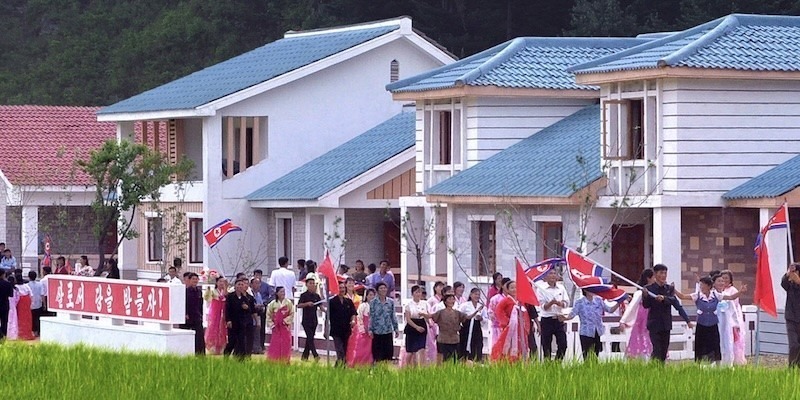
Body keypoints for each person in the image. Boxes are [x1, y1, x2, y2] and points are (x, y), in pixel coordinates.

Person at [675, 276, 744, 363]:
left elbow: (730, 297)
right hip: (701, 324)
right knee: (701, 344)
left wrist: (740, 292)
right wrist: (674, 290)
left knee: (714, 344)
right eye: (700, 285)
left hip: (713, 324)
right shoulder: (698, 295)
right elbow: (683, 296)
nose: (701, 287)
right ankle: (700, 364)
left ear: (708, 286)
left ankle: (717, 364)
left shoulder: (715, 295)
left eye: (702, 285)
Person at [642, 264, 693, 362]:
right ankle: (653, 369)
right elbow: (646, 305)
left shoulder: (669, 289)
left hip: (666, 324)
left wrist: (688, 321)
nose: (664, 275)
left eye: (665, 273)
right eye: (661, 273)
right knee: (657, 349)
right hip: (654, 324)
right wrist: (645, 296)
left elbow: (675, 303)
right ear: (655, 274)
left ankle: (659, 370)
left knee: (664, 351)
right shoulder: (649, 289)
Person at [561, 290, 619, 361]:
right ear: (585, 290)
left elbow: (610, 310)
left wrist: (619, 302)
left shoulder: (599, 300)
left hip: (597, 331)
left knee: (595, 354)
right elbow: (572, 314)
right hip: (586, 332)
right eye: (590, 289)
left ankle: (594, 369)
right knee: (586, 355)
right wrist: (564, 318)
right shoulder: (580, 302)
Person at [490, 281, 530, 363]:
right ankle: (506, 360)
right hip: (510, 327)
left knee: (520, 344)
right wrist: (505, 322)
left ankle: (519, 360)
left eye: (516, 287)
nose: (514, 289)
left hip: (520, 328)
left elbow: (525, 314)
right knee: (507, 343)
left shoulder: (520, 301)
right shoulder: (505, 300)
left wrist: (526, 326)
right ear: (507, 290)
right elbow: (498, 310)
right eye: (512, 288)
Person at [619, 269, 655, 359]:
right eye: (654, 277)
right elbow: (631, 307)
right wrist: (623, 320)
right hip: (642, 321)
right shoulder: (640, 293)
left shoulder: (655, 292)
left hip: (652, 319)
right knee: (640, 339)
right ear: (648, 278)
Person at [717, 270, 747, 366]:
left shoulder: (732, 290)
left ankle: (734, 360)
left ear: (730, 279)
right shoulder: (719, 290)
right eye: (722, 278)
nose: (724, 280)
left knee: (732, 339)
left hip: (731, 317)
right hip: (721, 318)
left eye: (726, 278)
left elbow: (734, 304)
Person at [537, 269, 568, 360]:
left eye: (555, 273)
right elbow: (543, 306)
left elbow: (566, 302)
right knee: (546, 345)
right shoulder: (541, 289)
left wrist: (560, 303)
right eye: (550, 273)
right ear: (546, 276)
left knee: (563, 344)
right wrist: (551, 303)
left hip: (558, 319)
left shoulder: (561, 288)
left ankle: (557, 363)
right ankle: (547, 365)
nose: (553, 275)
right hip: (547, 319)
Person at [226, 278, 257, 360]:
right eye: (238, 284)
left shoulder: (246, 298)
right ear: (235, 286)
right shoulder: (230, 296)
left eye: (242, 285)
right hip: (233, 322)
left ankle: (240, 358)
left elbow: (251, 310)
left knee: (242, 341)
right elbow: (227, 309)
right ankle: (226, 355)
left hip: (242, 322)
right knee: (232, 341)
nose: (240, 286)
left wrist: (247, 308)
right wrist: (228, 320)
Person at [432, 294, 467, 363]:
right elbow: (433, 316)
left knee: (455, 359)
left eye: (453, 299)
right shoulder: (441, 312)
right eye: (449, 299)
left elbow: (466, 317)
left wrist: (476, 311)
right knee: (444, 359)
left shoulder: (457, 312)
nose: (452, 301)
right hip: (443, 339)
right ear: (445, 301)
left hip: (454, 339)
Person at [369, 282, 398, 363]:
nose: (383, 290)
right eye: (381, 288)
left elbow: (393, 315)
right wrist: (370, 329)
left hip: (387, 330)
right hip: (377, 331)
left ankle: (385, 369)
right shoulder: (373, 302)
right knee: (378, 354)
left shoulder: (391, 302)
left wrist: (396, 328)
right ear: (377, 290)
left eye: (384, 288)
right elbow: (371, 316)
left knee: (387, 354)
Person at [329, 282, 357, 366]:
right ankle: (341, 365)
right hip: (336, 330)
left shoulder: (348, 301)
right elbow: (328, 316)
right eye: (340, 288)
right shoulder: (332, 302)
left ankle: (339, 366)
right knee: (339, 349)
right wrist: (325, 329)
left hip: (346, 329)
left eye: (343, 288)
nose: (341, 290)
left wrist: (353, 320)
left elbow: (353, 313)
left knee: (345, 349)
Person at [347, 288, 375, 367]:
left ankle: (369, 363)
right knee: (361, 347)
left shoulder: (376, 305)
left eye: (373, 295)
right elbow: (359, 317)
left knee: (370, 348)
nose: (372, 297)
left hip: (372, 328)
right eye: (370, 295)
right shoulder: (363, 305)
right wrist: (363, 328)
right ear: (366, 296)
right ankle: (358, 363)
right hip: (363, 329)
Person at [402, 285, 429, 367]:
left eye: (420, 292)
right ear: (412, 293)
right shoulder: (408, 305)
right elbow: (408, 319)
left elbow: (427, 315)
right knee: (411, 351)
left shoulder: (424, 303)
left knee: (421, 348)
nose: (418, 294)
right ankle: (407, 367)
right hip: (412, 327)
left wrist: (428, 320)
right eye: (416, 292)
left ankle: (420, 367)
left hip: (422, 324)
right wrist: (416, 327)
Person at [458, 288, 487, 363]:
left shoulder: (481, 306)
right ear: (471, 295)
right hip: (466, 327)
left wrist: (481, 319)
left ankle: (476, 360)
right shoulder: (465, 305)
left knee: (478, 344)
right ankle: (464, 359)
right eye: (475, 294)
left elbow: (485, 319)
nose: (477, 296)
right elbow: (459, 315)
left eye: (478, 295)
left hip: (477, 327)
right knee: (465, 343)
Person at [266, 286, 294, 363]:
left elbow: (291, 313)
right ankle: (274, 359)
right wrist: (272, 325)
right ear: (277, 293)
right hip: (276, 327)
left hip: (285, 326)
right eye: (281, 292)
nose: (283, 293)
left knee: (286, 342)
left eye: (284, 291)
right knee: (276, 343)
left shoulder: (288, 302)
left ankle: (285, 359)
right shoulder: (272, 304)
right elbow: (268, 315)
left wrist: (285, 321)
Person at [297, 278, 322, 361]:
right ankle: (315, 355)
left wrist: (326, 311)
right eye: (310, 283)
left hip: (314, 320)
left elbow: (320, 306)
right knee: (310, 337)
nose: (312, 285)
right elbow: (299, 305)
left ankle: (304, 356)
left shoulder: (316, 296)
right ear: (307, 285)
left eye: (313, 283)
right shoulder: (304, 295)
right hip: (306, 320)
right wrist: (307, 304)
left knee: (310, 338)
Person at [181, 272, 205, 355]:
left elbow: (201, 304)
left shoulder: (199, 291)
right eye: (193, 279)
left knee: (199, 336)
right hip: (188, 317)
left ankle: (200, 354)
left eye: (196, 279)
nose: (195, 281)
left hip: (197, 316)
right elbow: (183, 303)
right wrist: (185, 313)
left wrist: (201, 315)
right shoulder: (186, 291)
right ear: (189, 280)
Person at [204, 277, 228, 355]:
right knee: (213, 328)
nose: (221, 283)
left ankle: (220, 347)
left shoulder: (226, 291)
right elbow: (207, 299)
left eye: (223, 282)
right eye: (220, 281)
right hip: (215, 313)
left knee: (222, 329)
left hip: (223, 313)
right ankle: (212, 347)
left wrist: (226, 287)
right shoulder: (213, 291)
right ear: (216, 282)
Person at [783, 262, 800, 367]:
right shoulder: (790, 285)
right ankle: (792, 367)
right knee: (794, 344)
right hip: (791, 318)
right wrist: (788, 273)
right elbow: (783, 283)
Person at [253, 269, 275, 350]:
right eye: (256, 275)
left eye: (259, 275)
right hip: (254, 307)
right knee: (254, 326)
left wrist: (266, 302)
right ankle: (255, 345)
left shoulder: (266, 285)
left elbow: (273, 294)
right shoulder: (251, 286)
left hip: (262, 307)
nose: (257, 276)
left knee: (262, 326)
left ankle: (261, 345)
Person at [425, 281, 445, 364]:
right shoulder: (431, 300)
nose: (441, 289)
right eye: (439, 287)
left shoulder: (445, 300)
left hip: (443, 324)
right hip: (433, 324)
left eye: (442, 287)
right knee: (433, 344)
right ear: (435, 288)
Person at [488, 277, 510, 349]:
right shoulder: (495, 298)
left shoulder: (513, 299)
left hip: (511, 325)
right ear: (502, 286)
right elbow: (490, 311)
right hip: (498, 326)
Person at [250, 278, 266, 353]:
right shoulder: (250, 294)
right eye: (255, 283)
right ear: (251, 284)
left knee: (258, 332)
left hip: (258, 314)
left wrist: (261, 306)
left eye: (259, 283)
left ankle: (257, 348)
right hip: (252, 315)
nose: (258, 285)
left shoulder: (258, 294)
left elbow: (261, 304)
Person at [27, 271, 44, 337]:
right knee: (37, 318)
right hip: (38, 303)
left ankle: (33, 331)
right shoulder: (40, 284)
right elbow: (42, 294)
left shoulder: (27, 285)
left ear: (29, 277)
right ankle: (38, 331)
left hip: (30, 304)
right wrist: (44, 303)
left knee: (31, 318)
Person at [0, 270, 13, 339]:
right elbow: (11, 295)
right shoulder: (7, 284)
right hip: (4, 304)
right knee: (4, 321)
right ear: (3, 275)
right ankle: (3, 336)